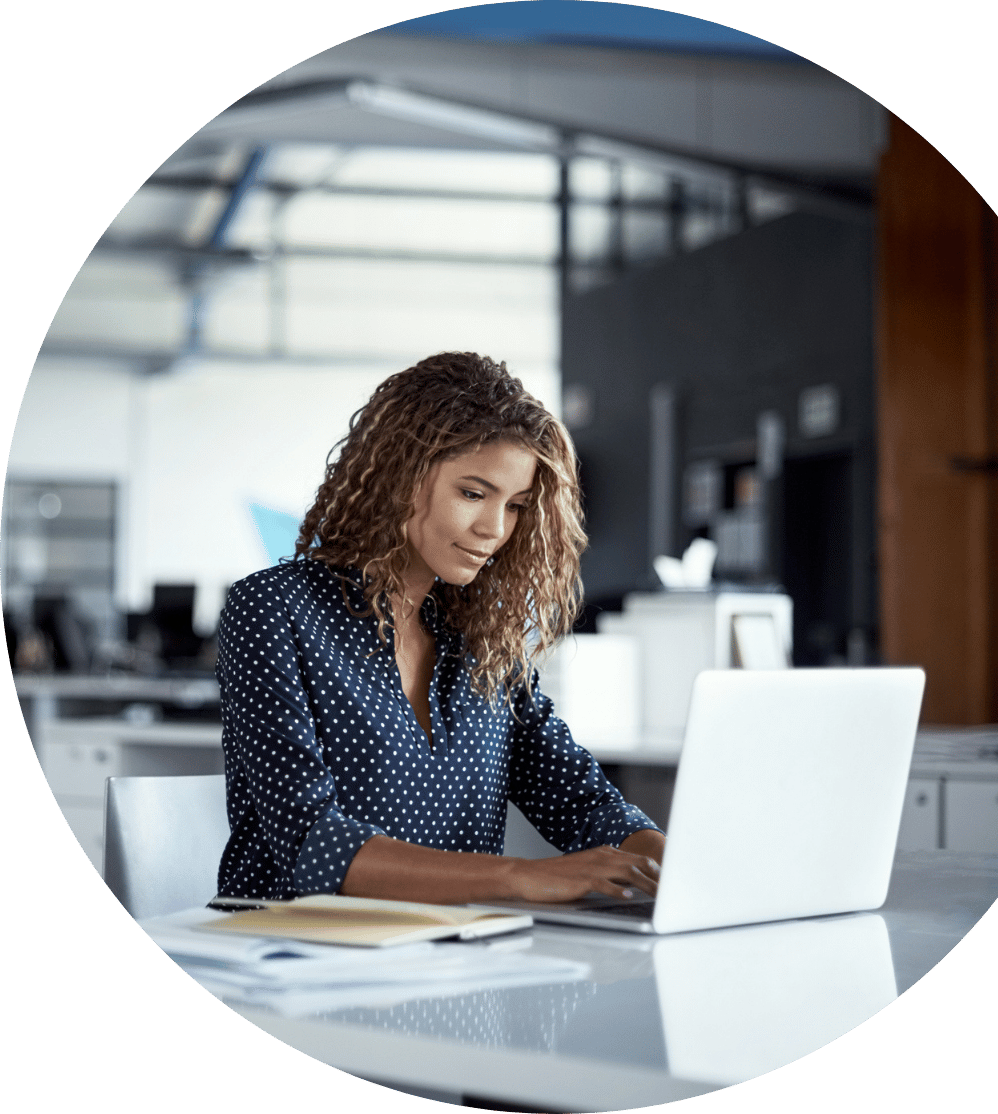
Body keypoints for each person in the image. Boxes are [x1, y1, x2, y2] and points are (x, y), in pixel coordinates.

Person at [216, 351, 665, 904]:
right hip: (297, 959)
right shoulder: (272, 609)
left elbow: (579, 800)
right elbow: (313, 844)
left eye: (517, 506)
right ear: (396, 477)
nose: (494, 529)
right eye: (472, 494)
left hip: (457, 965)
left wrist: (676, 865)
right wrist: (520, 876)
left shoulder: (481, 637)